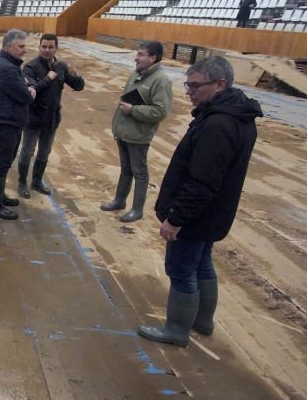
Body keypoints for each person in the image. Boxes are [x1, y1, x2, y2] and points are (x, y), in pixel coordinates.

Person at [138, 56, 263, 347]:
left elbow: (202, 181)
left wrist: (176, 218)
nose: (188, 92)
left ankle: (176, 330)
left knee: (181, 270)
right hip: (213, 214)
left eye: (195, 86)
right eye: (187, 85)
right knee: (202, 264)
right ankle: (202, 321)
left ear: (220, 84)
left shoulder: (218, 124)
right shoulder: (235, 114)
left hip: (196, 216)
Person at [101, 41, 172, 223]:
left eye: (140, 54)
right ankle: (119, 200)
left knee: (139, 172)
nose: (136, 57)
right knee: (126, 169)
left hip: (139, 134)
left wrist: (133, 110)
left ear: (153, 58)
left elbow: (160, 111)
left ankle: (137, 209)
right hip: (125, 130)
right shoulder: (136, 73)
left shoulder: (160, 80)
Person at [17, 34, 84, 198]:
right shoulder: (30, 67)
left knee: (45, 152)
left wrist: (76, 76)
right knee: (27, 151)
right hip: (33, 118)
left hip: (52, 118)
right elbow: (32, 90)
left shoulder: (60, 66)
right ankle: (21, 182)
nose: (47, 50)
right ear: (39, 47)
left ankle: (37, 181)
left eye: (50, 47)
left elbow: (78, 86)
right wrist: (48, 78)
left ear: (56, 48)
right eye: (44, 47)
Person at [0, 29, 36, 220]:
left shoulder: (9, 65)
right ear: (9, 47)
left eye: (25, 46)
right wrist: (30, 91)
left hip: (9, 121)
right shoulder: (6, 68)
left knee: (5, 162)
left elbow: (24, 82)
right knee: (1, 163)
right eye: (21, 46)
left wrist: (27, 85)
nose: (25, 50)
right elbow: (24, 96)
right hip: (5, 123)